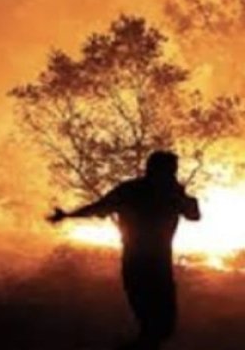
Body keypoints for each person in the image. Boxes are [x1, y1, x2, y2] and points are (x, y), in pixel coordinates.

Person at [49, 150, 200, 350]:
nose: (172, 175)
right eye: (170, 170)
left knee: (161, 326)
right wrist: (69, 215)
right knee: (153, 323)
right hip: (140, 263)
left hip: (157, 264)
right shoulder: (133, 191)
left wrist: (184, 198)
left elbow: (194, 215)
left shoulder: (165, 194)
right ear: (156, 170)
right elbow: (100, 207)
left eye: (173, 171)